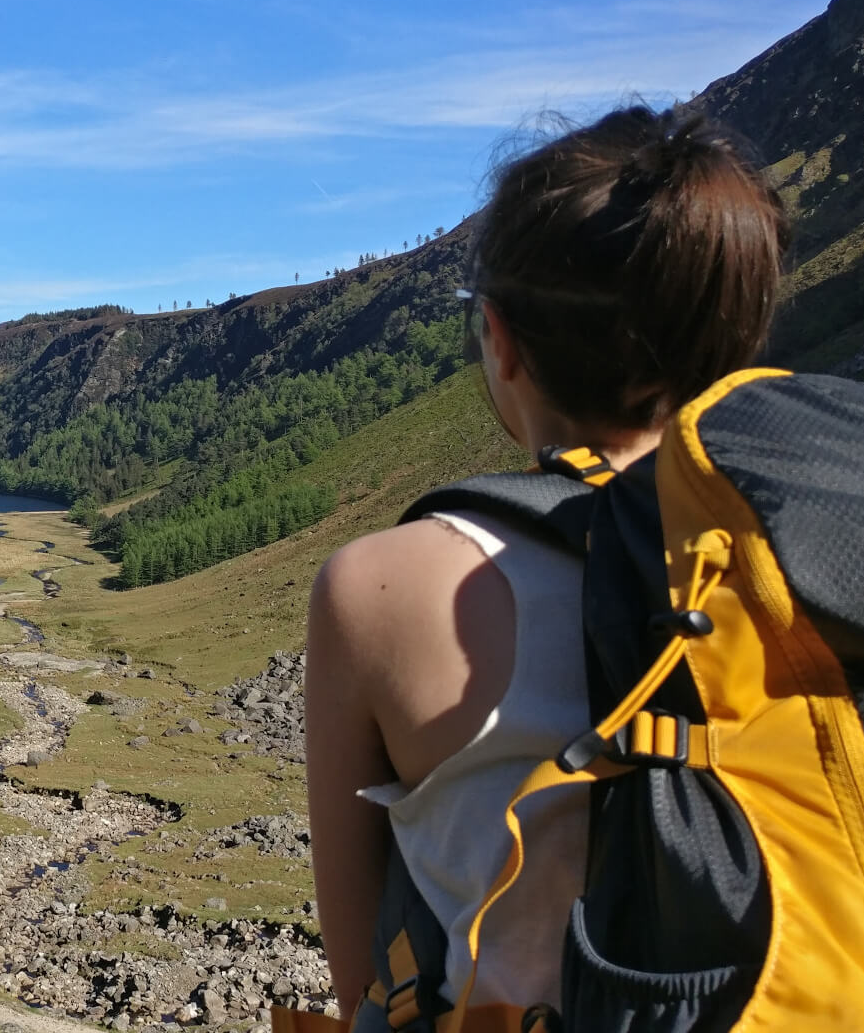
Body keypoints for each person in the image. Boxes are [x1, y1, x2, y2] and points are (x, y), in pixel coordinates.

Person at [302, 105, 790, 1021]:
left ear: (503, 340)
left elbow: (366, 984)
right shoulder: (850, 550)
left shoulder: (381, 588)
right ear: (736, 335)